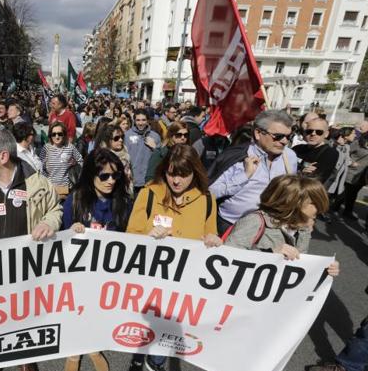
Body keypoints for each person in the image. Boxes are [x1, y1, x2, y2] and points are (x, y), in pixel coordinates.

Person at [126, 144, 221, 371]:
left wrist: (214, 241)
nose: (176, 180)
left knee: (167, 334)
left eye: (183, 175)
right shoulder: (149, 194)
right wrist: (147, 236)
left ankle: (154, 363)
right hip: (150, 279)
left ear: (195, 172)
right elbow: (130, 236)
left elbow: (211, 234)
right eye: (171, 174)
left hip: (184, 282)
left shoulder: (207, 199)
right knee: (142, 330)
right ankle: (139, 358)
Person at [224, 175, 339, 276]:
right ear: (291, 202)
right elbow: (227, 257)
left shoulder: (303, 228)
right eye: (314, 203)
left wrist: (323, 269)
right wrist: (270, 253)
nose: (319, 209)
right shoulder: (255, 221)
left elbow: (298, 264)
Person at [208, 110, 297, 234]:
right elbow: (211, 192)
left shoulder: (290, 156)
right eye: (278, 136)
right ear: (258, 133)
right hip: (232, 225)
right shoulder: (237, 156)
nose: (284, 141)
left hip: (272, 229)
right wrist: (244, 175)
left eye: (289, 136)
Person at [40, 121, 83, 196]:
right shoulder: (46, 148)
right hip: (51, 189)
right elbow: (40, 168)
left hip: (67, 189)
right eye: (54, 134)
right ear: (50, 135)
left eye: (60, 134)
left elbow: (81, 161)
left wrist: (74, 164)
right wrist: (47, 182)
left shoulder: (70, 147)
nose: (57, 137)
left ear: (64, 134)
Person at [125, 110, 162, 194]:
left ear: (148, 120)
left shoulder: (155, 136)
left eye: (143, 120)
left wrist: (155, 148)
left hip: (149, 180)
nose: (140, 123)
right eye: (138, 120)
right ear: (134, 120)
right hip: (132, 181)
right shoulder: (127, 135)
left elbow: (161, 158)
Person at [293, 117, 339, 184]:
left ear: (326, 134)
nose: (313, 134)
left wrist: (297, 172)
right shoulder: (297, 148)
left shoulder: (330, 153)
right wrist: (301, 171)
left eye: (319, 132)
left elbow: (315, 180)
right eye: (309, 131)